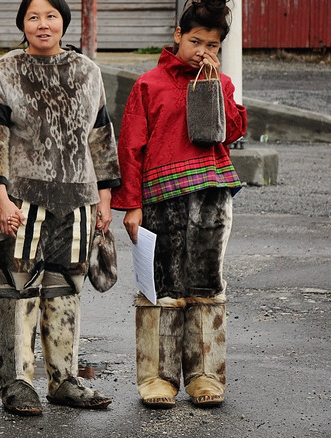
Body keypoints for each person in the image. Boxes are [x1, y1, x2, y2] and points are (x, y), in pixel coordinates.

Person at [0, 0, 120, 416]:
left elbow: (101, 137)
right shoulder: (5, 71)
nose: (43, 24)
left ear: (64, 23)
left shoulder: (88, 72)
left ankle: (63, 378)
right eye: (34, 17)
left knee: (67, 288)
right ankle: (17, 383)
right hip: (21, 198)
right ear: (22, 24)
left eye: (51, 16)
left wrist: (104, 199)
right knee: (17, 287)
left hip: (78, 198)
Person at [111, 0, 247, 409]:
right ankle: (157, 376)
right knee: (161, 289)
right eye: (194, 41)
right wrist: (131, 205)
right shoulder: (149, 84)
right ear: (177, 36)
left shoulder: (218, 83)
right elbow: (130, 147)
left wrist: (219, 83)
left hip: (211, 198)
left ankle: (206, 375)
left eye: (211, 44)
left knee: (207, 287)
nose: (201, 50)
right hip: (159, 202)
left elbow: (235, 130)